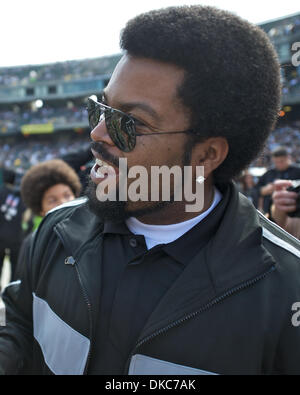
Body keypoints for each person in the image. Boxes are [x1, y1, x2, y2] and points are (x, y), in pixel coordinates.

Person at [0, 5, 300, 375]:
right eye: (101, 109)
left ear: (206, 155)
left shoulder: (287, 291)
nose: (97, 134)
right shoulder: (56, 230)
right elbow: (20, 324)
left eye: (129, 124)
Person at [14, 159, 82, 279]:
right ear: (40, 209)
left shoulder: (94, 232)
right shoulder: (32, 244)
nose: (63, 203)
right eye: (52, 200)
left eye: (67, 195)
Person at [256, 146, 300, 214]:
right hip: (270, 213)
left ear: (288, 158)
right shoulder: (269, 173)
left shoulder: (297, 171)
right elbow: (256, 189)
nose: (279, 164)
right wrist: (264, 190)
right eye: (276, 162)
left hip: (293, 213)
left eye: (281, 161)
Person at [0, 168, 25, 283]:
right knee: (15, 268)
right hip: (17, 237)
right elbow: (28, 221)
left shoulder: (2, 192)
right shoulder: (23, 195)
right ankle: (11, 293)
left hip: (1, 236)